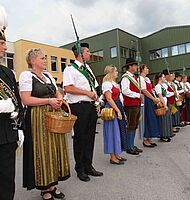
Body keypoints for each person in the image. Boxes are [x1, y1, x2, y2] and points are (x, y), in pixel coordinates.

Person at [19, 48, 70, 200]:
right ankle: (44, 188)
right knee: (42, 151)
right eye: (42, 58)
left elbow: (57, 92)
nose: (45, 60)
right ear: (33, 61)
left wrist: (59, 98)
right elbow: (26, 100)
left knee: (54, 148)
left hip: (54, 115)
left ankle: (52, 184)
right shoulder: (26, 75)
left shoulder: (48, 76)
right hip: (37, 118)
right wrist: (48, 101)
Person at [63, 43, 103, 182]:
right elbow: (67, 88)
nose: (90, 53)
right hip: (79, 106)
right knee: (80, 138)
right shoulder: (70, 69)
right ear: (80, 53)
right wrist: (87, 93)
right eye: (87, 51)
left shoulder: (88, 69)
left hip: (91, 106)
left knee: (90, 137)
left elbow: (95, 88)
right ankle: (79, 168)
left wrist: (97, 102)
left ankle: (88, 165)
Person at [0, 12, 24, 200]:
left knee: (8, 178)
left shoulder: (8, 72)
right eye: (1, 44)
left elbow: (17, 102)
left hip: (8, 133)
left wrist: (20, 128)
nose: (4, 47)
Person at [102, 65, 127, 164]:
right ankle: (112, 157)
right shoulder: (107, 84)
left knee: (118, 131)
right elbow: (109, 98)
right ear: (111, 72)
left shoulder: (115, 84)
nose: (117, 73)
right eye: (115, 71)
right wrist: (118, 110)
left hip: (117, 106)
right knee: (112, 132)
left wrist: (121, 110)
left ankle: (116, 153)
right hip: (111, 109)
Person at [121, 58, 143, 155]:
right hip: (130, 105)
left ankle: (132, 145)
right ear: (130, 66)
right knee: (131, 125)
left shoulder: (133, 77)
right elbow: (125, 91)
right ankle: (129, 146)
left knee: (134, 125)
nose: (136, 67)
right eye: (134, 65)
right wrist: (138, 95)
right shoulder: (125, 77)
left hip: (135, 104)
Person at [139, 64, 160, 147]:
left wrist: (155, 98)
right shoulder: (140, 79)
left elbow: (150, 90)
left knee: (151, 117)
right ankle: (145, 139)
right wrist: (153, 98)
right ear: (142, 70)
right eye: (146, 68)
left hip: (150, 98)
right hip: (146, 99)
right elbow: (144, 90)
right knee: (147, 118)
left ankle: (150, 138)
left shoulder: (147, 79)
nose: (148, 69)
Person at [154, 73, 172, 142]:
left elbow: (167, 93)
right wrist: (164, 105)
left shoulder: (162, 86)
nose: (164, 78)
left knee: (166, 119)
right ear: (160, 78)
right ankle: (163, 135)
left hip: (165, 102)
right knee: (163, 120)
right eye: (163, 77)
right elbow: (160, 96)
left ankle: (166, 133)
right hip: (161, 104)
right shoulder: (158, 86)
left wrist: (174, 93)